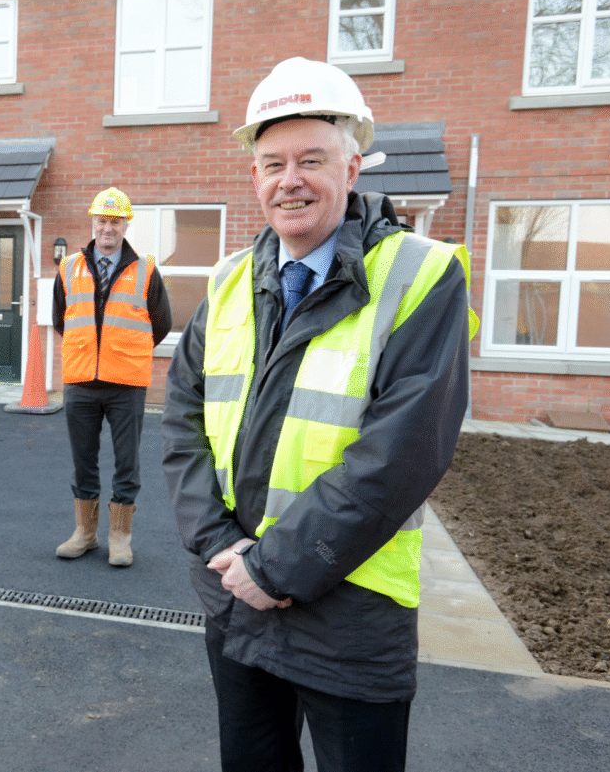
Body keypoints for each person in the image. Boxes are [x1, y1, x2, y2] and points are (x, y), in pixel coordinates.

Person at [161, 57, 477, 771]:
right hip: (234, 589)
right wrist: (220, 545)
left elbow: (403, 453)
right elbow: (182, 420)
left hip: (351, 606)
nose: (290, 179)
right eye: (272, 163)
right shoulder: (230, 278)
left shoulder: (423, 274)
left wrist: (275, 566)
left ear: (353, 167)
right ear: (254, 178)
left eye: (312, 159)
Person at [53, 187, 172, 567]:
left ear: (125, 225)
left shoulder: (146, 269)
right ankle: (84, 534)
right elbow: (62, 319)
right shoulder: (69, 267)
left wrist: (122, 351)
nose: (108, 228)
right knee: (83, 460)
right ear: (93, 223)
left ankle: (120, 538)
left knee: (127, 462)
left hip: (126, 383)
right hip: (81, 380)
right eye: (102, 221)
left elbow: (162, 324)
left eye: (115, 222)